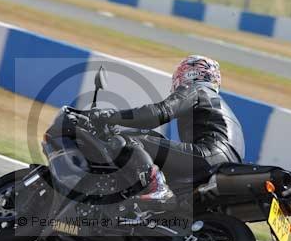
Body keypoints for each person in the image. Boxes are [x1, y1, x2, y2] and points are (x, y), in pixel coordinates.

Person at [90, 55, 245, 208]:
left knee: (132, 141)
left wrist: (111, 116)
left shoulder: (197, 89)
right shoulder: (219, 103)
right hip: (225, 165)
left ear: (188, 73)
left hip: (209, 155)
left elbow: (159, 113)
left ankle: (157, 190)